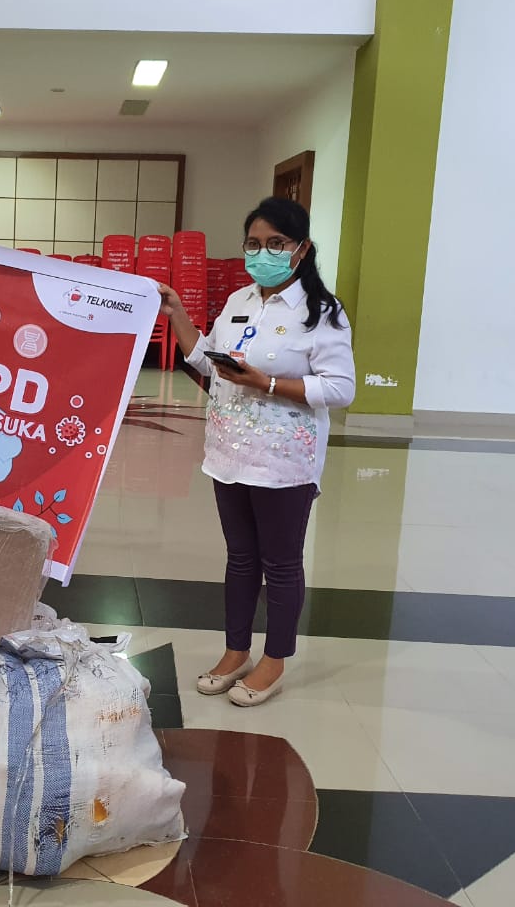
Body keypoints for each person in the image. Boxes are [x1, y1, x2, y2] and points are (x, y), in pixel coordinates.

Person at [158, 197, 354, 706]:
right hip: (229, 453)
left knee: (281, 563)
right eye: (253, 243)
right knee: (240, 558)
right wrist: (178, 314)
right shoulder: (239, 300)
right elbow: (208, 361)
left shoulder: (322, 313)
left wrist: (266, 383)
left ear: (301, 249)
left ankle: (275, 659)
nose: (262, 253)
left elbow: (340, 388)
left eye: (275, 244)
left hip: (284, 460)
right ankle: (236, 651)